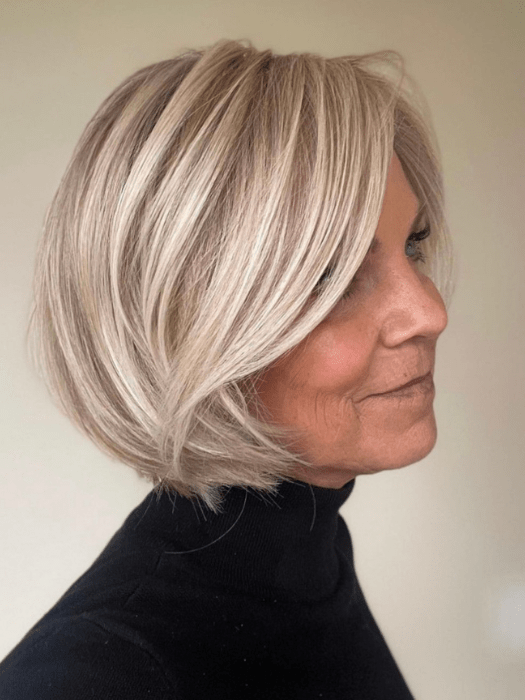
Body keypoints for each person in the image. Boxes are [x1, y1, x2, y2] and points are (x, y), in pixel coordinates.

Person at [0, 38, 456, 699]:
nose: (429, 312)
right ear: (183, 327)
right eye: (328, 277)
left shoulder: (311, 558)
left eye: (412, 246)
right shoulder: (92, 679)